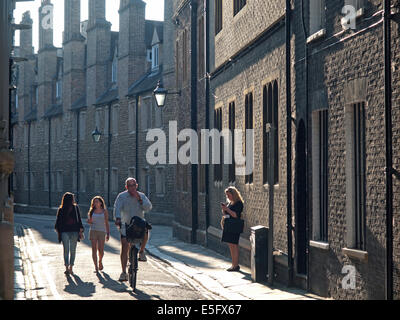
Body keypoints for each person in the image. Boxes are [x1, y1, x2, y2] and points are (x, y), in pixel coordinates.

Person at [114, 177, 152, 282]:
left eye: (134, 185)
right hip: (125, 223)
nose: (132, 188)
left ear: (137, 186)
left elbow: (148, 208)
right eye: (129, 186)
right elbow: (117, 208)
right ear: (126, 187)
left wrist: (139, 200)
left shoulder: (142, 196)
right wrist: (117, 218)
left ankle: (142, 251)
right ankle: (123, 272)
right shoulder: (122, 196)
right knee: (125, 245)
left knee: (146, 230)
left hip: (138, 223)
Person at [54, 192, 84, 275]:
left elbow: (79, 219)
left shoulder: (75, 208)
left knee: (71, 250)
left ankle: (70, 267)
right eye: (73, 198)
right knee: (67, 250)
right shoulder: (61, 209)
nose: (74, 200)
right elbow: (58, 221)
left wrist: (81, 228)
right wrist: (58, 229)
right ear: (70, 199)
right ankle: (67, 267)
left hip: (73, 231)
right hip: (65, 231)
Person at [220, 186, 244, 272]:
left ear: (234, 194)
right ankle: (233, 264)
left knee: (234, 245)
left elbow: (235, 215)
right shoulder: (230, 203)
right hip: (228, 226)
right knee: (231, 245)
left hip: (234, 227)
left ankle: (236, 265)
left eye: (229, 195)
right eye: (227, 196)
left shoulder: (239, 203)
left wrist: (227, 209)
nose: (228, 197)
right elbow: (227, 214)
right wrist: (224, 210)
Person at [87, 196, 110, 273]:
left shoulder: (104, 211)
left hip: (102, 231)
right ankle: (96, 267)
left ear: (100, 203)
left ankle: (100, 261)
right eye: (94, 202)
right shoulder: (91, 211)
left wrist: (108, 233)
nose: (95, 203)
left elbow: (106, 222)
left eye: (97, 201)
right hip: (93, 230)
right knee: (94, 249)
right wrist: (89, 221)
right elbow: (90, 221)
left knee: (101, 250)